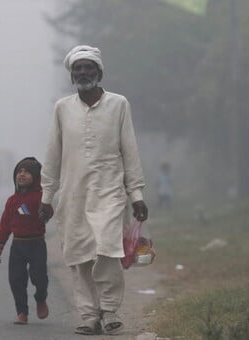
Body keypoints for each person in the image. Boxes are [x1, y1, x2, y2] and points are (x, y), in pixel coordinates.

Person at [38, 45, 148, 335]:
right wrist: (47, 197)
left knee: (108, 250)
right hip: (73, 196)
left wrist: (136, 195)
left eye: (88, 67)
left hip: (110, 193)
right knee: (79, 257)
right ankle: (88, 315)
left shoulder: (119, 104)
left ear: (99, 72)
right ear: (72, 74)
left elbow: (130, 150)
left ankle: (109, 310)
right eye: (78, 68)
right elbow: (53, 155)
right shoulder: (62, 108)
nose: (83, 72)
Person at [0, 157, 49, 325]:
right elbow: (5, 224)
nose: (22, 174)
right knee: (16, 279)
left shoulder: (41, 197)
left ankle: (40, 298)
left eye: (27, 172)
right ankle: (22, 312)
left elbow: (49, 210)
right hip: (18, 245)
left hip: (37, 244)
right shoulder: (12, 201)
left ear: (36, 177)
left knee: (39, 277)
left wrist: (46, 211)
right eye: (19, 171)